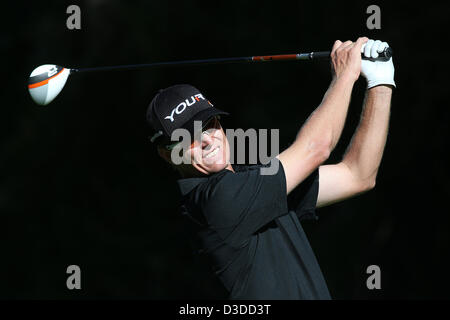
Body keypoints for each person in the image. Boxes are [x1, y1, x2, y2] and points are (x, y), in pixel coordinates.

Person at [146, 37, 395, 299]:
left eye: (209, 124)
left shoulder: (253, 181)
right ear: (167, 155)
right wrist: (344, 76)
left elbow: (358, 175)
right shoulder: (213, 202)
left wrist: (380, 83)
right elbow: (317, 148)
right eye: (189, 136)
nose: (208, 138)